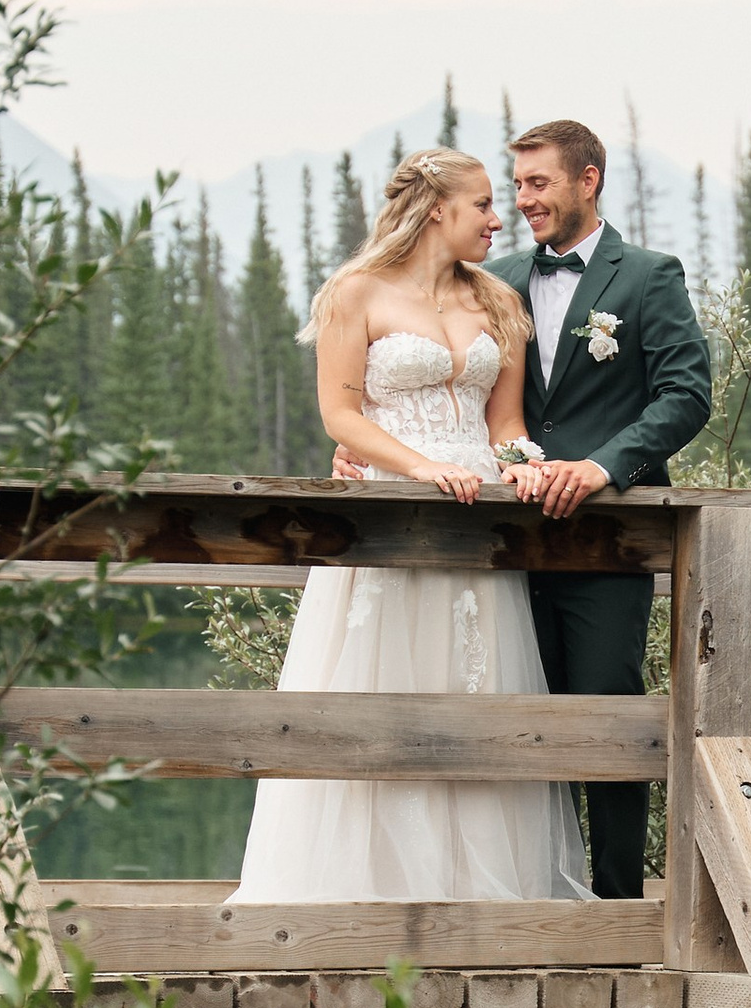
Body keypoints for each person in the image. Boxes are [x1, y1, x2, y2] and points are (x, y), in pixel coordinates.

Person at [353, 118, 713, 900]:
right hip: (500, 548)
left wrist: (602, 466)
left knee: (608, 714)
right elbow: (421, 372)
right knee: (508, 714)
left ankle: (616, 909)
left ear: (589, 180)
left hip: (607, 542)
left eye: (538, 182)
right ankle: (538, 891)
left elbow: (687, 396)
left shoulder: (648, 277)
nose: (522, 200)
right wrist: (362, 447)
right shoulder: (495, 279)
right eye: (515, 186)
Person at [228, 149, 592, 904]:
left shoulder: (497, 301)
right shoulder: (355, 291)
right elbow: (340, 414)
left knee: (472, 689)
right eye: (482, 204)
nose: (498, 219)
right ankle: (361, 894)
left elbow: (505, 423)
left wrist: (520, 464)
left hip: (477, 524)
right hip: (390, 513)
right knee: (379, 687)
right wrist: (421, 468)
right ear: (435, 210)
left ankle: (477, 898)